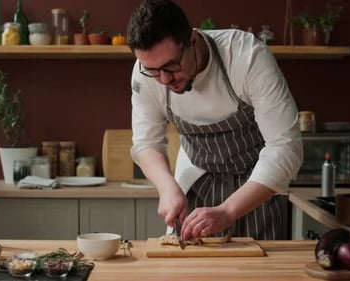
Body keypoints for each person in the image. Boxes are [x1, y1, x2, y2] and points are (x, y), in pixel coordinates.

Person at [127, 0, 303, 240]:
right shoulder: (145, 72)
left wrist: (228, 210)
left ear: (193, 41)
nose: (164, 79)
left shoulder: (246, 57)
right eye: (153, 70)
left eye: (171, 66)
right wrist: (167, 187)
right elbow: (147, 144)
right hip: (195, 183)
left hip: (258, 184)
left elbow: (286, 147)